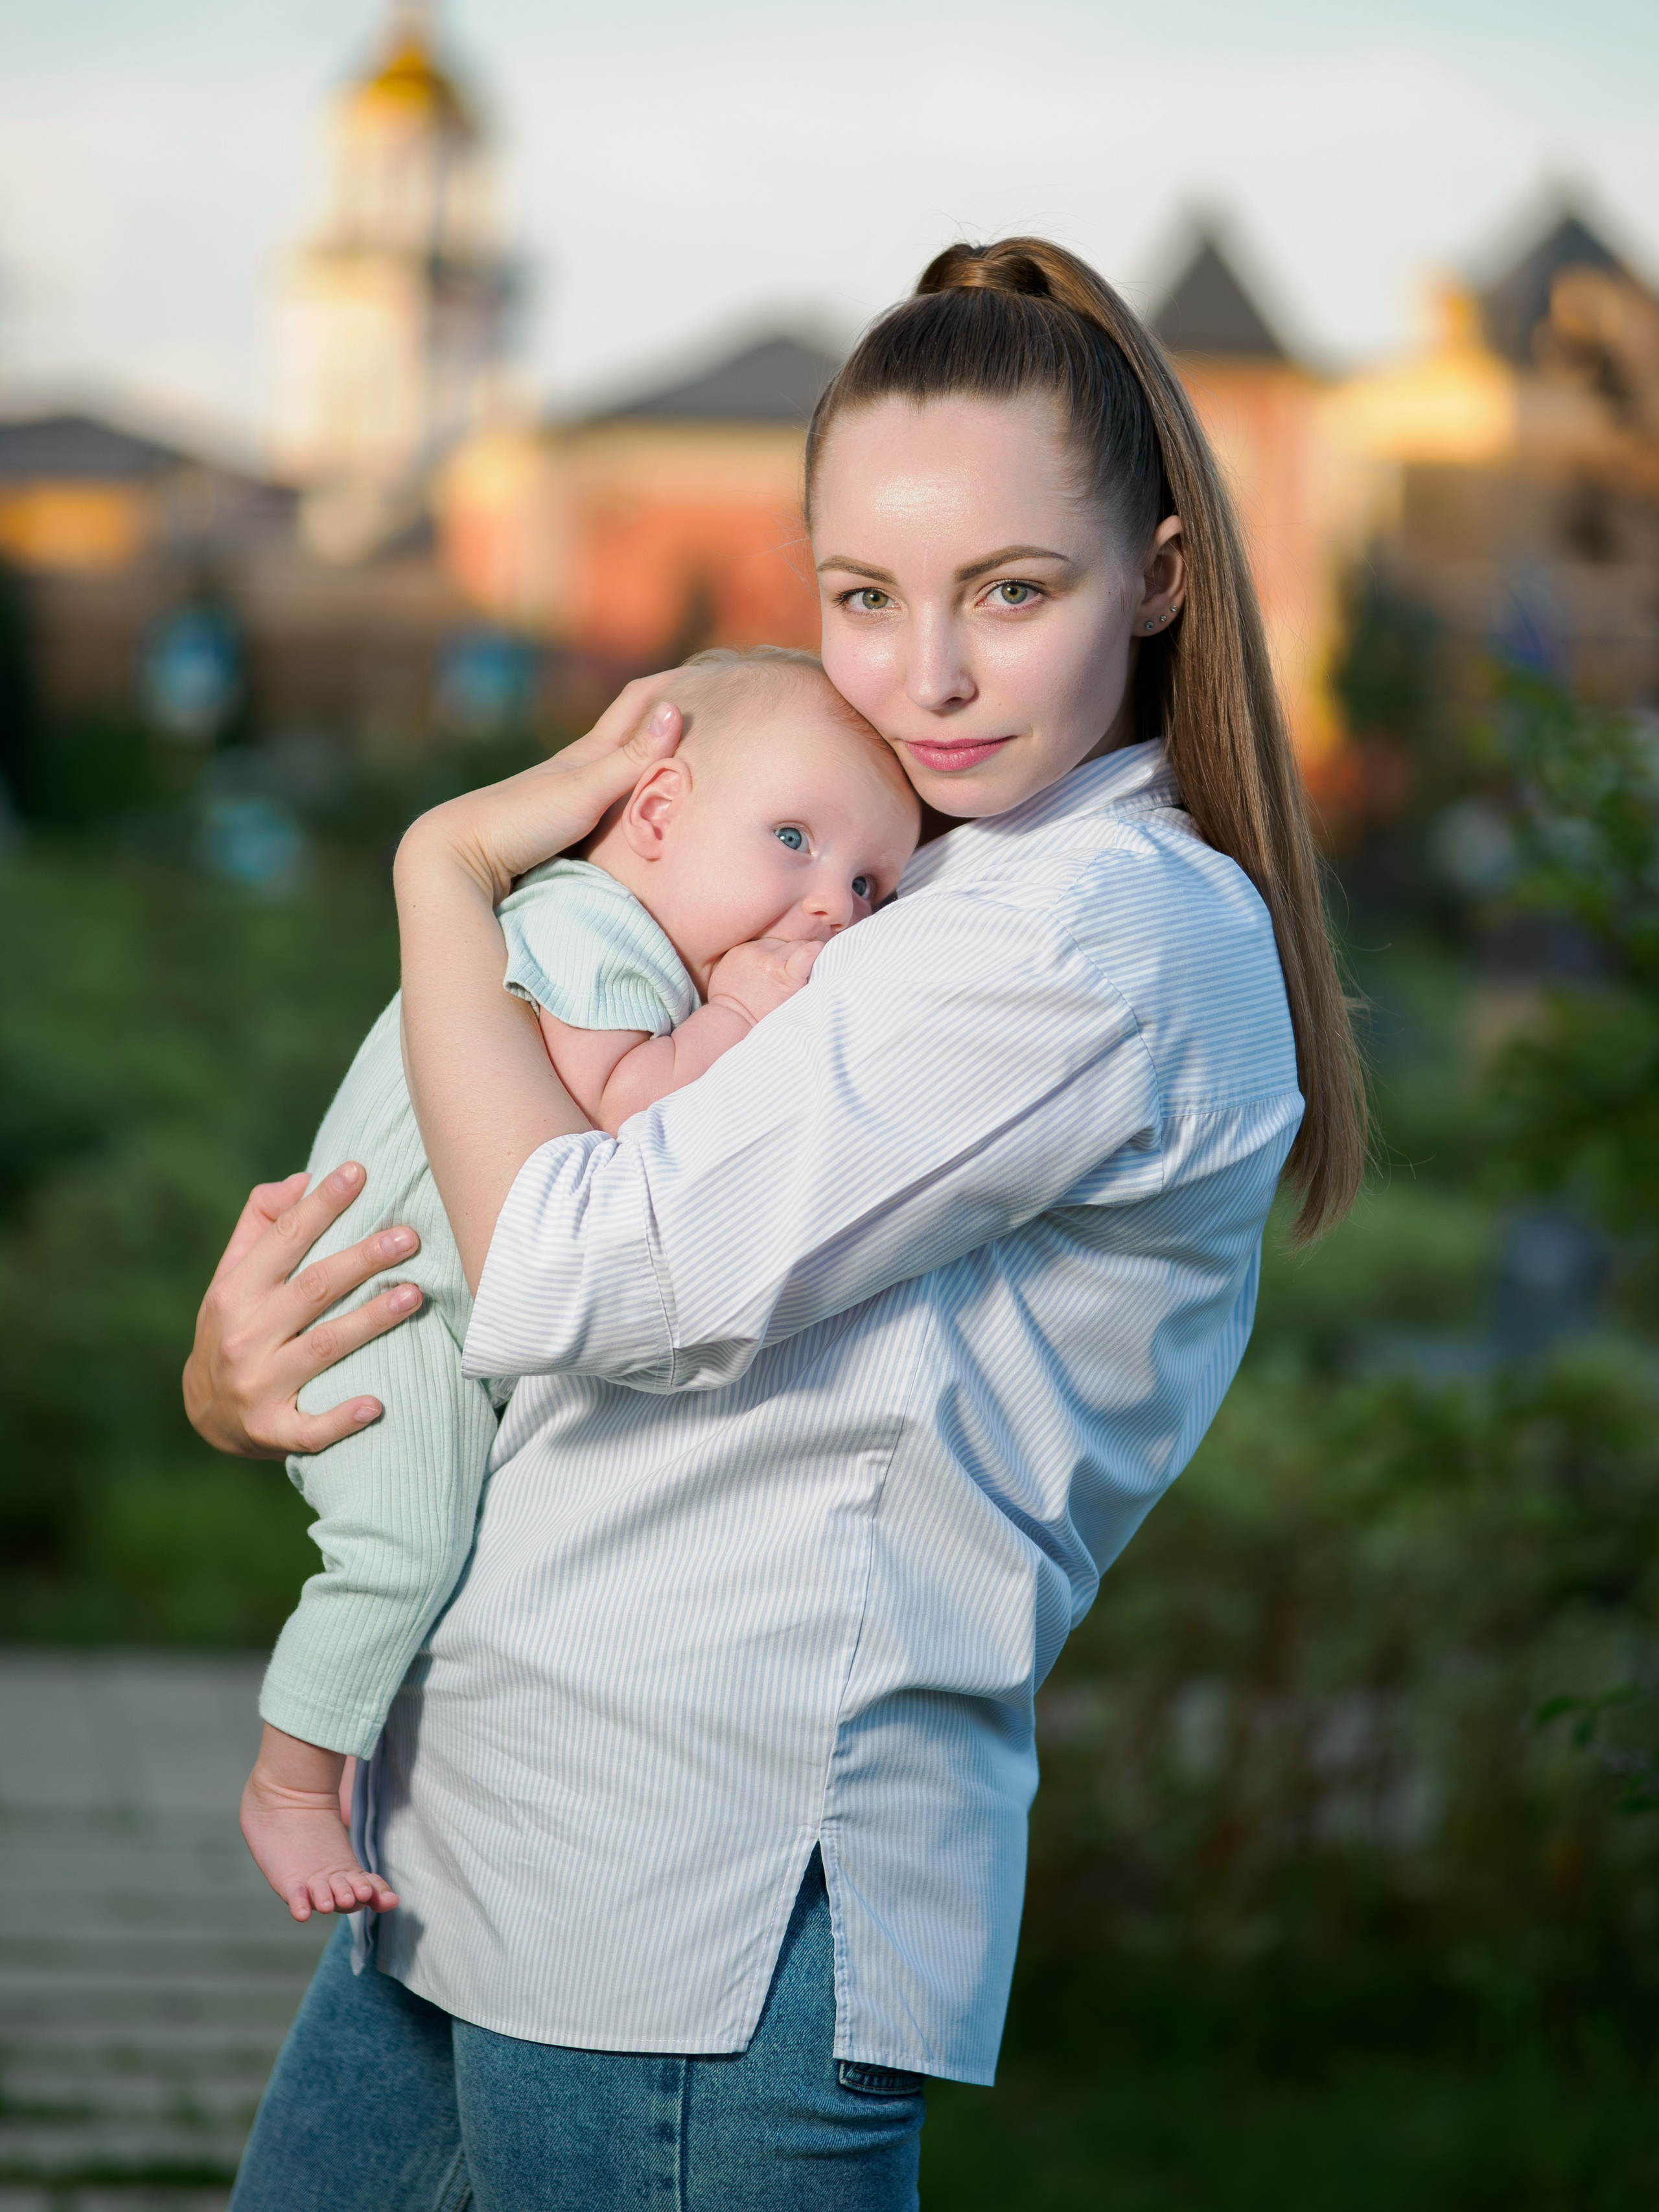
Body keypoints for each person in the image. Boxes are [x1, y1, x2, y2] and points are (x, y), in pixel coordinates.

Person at [185, 237, 1364, 2211]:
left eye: (1014, 588)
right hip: (485, 1821)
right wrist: (267, 1369)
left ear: (1162, 577)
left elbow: (572, 1261)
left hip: (697, 1897)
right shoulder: (908, 879)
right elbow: (512, 1255)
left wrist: (439, 867)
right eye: (864, 598)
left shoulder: (1089, 934)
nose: (932, 675)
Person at [240, 649, 920, 1925]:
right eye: (791, 840)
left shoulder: (628, 947)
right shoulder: (583, 931)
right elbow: (620, 1124)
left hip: (421, 1310)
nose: (831, 905)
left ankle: (362, 1769)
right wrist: (742, 1020)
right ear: (655, 814)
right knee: (401, 1547)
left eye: (870, 882)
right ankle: (287, 1786)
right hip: (377, 1321)